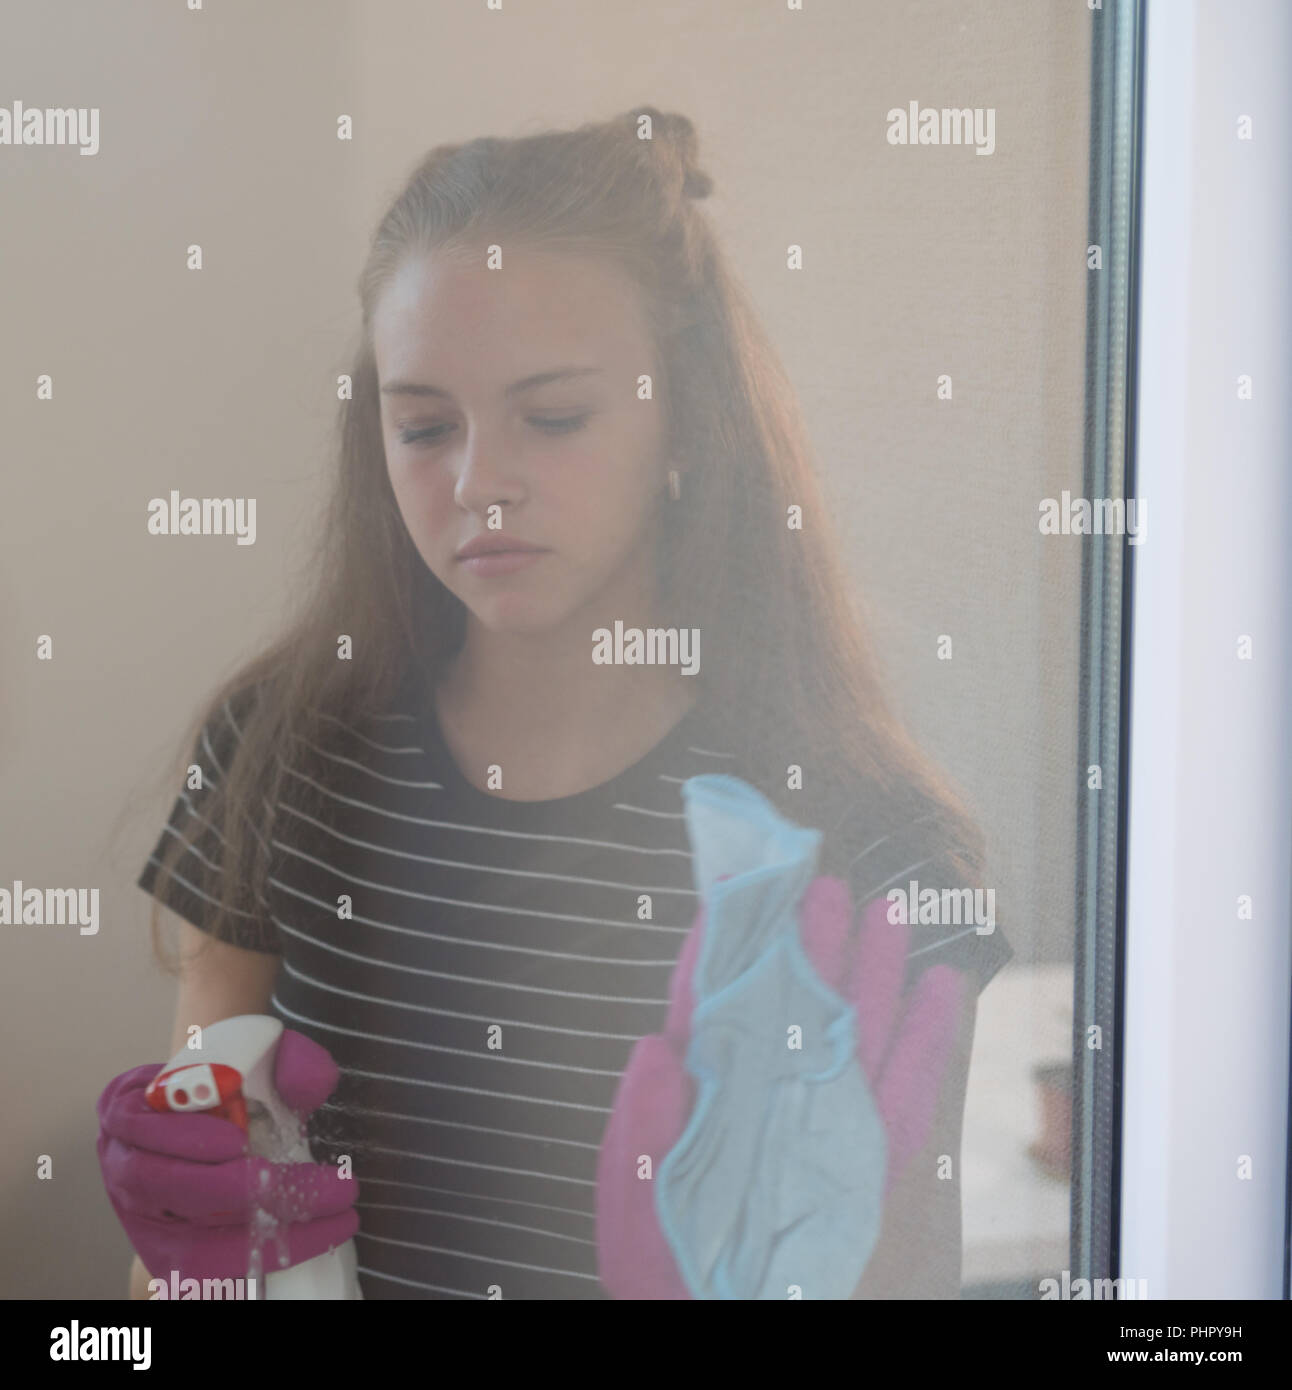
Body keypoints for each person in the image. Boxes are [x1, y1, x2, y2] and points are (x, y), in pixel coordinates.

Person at [101, 106, 1011, 1300]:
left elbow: (908, 1275)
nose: (480, 483)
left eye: (555, 416)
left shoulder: (860, 842)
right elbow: (167, 1279)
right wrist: (191, 1257)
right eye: (424, 424)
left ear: (683, 415)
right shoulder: (281, 753)